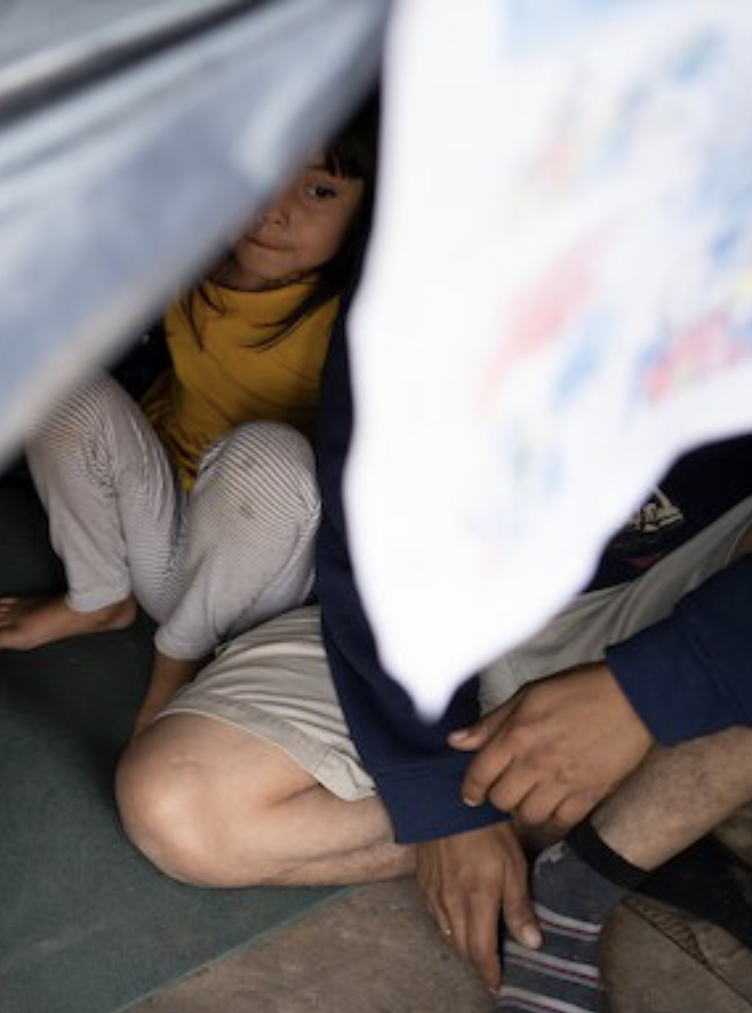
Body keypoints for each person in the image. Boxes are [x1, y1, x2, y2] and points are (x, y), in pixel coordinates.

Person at [115, 307, 752, 1012]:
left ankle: (586, 879)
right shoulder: (453, 261)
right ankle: (595, 815)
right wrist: (442, 801)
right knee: (178, 807)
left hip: (691, 574)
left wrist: (647, 691)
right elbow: (372, 518)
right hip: (448, 593)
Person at [0, 97, 378, 734]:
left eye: (319, 190)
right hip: (152, 537)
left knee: (268, 454)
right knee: (52, 380)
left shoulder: (357, 317)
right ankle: (100, 596)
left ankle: (178, 665)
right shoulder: (190, 258)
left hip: (253, 577)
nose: (275, 209)